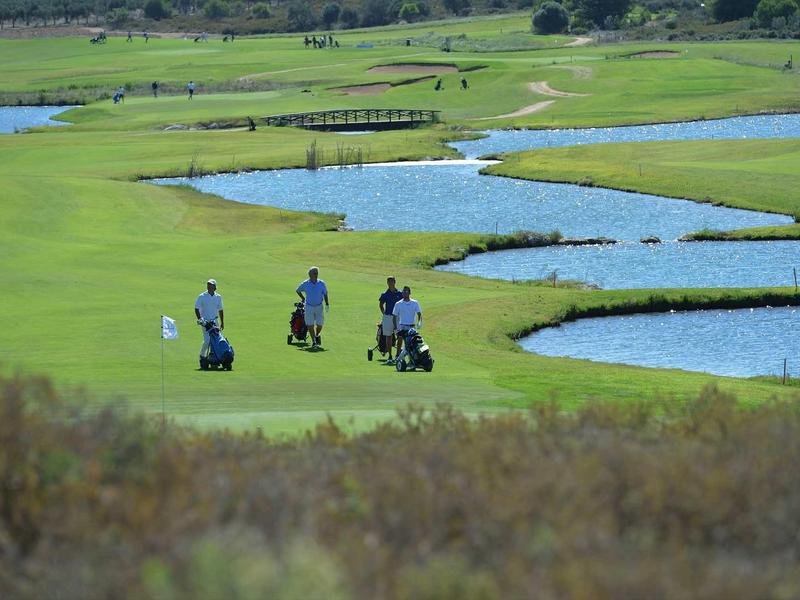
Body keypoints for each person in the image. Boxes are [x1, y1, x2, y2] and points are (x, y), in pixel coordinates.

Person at [296, 266, 329, 348]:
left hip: (319, 306)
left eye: (317, 273)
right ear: (310, 274)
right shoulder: (305, 283)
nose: (316, 274)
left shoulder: (321, 283)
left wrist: (327, 304)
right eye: (314, 273)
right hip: (309, 306)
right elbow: (298, 290)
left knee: (320, 324)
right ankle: (314, 341)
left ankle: (317, 335)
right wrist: (303, 298)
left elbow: (325, 294)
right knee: (310, 324)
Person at [194, 278, 225, 367]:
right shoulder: (202, 296)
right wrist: (200, 319)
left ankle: (214, 358)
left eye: (211, 285)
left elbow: (221, 310)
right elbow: (196, 308)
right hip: (205, 322)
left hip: (215, 322)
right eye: (208, 285)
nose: (208, 286)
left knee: (216, 341)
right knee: (207, 340)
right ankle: (202, 356)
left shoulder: (218, 297)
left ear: (215, 287)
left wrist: (222, 322)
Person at [378, 276, 403, 364]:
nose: (390, 283)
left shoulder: (400, 293)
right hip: (388, 317)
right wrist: (384, 313)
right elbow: (381, 305)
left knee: (400, 336)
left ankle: (398, 355)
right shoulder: (385, 294)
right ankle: (390, 356)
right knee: (388, 336)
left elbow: (403, 304)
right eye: (389, 282)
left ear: (395, 282)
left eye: (392, 281)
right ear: (387, 283)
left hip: (397, 317)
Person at [392, 286, 422, 356]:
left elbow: (419, 314)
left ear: (409, 293)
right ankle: (397, 355)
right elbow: (394, 316)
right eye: (403, 291)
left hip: (412, 327)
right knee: (400, 341)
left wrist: (419, 323)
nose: (404, 293)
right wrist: (396, 328)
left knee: (412, 343)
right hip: (402, 326)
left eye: (406, 291)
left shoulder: (415, 303)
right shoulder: (398, 304)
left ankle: (412, 357)